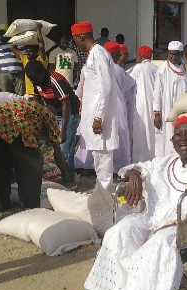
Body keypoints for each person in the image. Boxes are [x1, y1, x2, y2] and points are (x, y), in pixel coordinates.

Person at [58, 115, 187, 290]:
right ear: (172, 140)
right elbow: (138, 167)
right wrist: (135, 175)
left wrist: (176, 219)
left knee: (157, 245)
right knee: (118, 232)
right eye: (178, 135)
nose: (183, 138)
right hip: (155, 218)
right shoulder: (165, 163)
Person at [0, 98, 69, 209]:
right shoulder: (50, 116)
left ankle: (2, 204)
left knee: (3, 166)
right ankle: (31, 205)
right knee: (34, 164)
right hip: (15, 124)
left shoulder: (32, 109)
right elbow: (57, 151)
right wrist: (65, 174)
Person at [72, 21, 120, 190]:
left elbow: (106, 87)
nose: (74, 43)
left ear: (81, 37)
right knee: (99, 158)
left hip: (100, 117)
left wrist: (99, 116)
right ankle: (102, 192)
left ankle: (105, 197)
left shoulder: (98, 54)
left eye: (75, 39)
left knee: (103, 157)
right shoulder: (93, 53)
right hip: (95, 114)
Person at [24, 61, 80, 189]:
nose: (33, 81)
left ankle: (70, 180)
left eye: (34, 78)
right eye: (31, 79)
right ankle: (65, 176)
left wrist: (63, 131)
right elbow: (37, 100)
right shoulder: (37, 82)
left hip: (70, 113)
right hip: (54, 113)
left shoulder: (56, 81)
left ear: (42, 73)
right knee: (57, 148)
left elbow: (66, 105)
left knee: (65, 148)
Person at [153, 41, 187, 157]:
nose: (173, 57)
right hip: (169, 109)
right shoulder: (163, 71)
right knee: (169, 136)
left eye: (176, 54)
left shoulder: (184, 68)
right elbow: (157, 93)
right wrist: (157, 114)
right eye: (170, 54)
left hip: (183, 109)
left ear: (181, 54)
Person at [104, 41, 135, 171]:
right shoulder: (117, 70)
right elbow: (126, 87)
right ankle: (119, 165)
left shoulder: (101, 67)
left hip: (104, 106)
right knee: (120, 136)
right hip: (117, 105)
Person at [126, 46, 159, 163]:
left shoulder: (138, 68)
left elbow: (125, 84)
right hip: (155, 108)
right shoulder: (157, 69)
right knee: (153, 135)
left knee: (140, 135)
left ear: (140, 56)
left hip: (141, 108)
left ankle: (140, 162)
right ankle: (153, 160)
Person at [11, 23, 48, 96]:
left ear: (36, 52)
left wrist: (38, 30)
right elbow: (12, 48)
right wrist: (20, 34)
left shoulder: (41, 59)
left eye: (30, 52)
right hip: (28, 94)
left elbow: (41, 46)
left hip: (41, 93)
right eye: (26, 51)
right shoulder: (25, 59)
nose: (27, 53)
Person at [0, 23, 25, 95]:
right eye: (1, 32)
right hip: (5, 74)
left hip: (18, 73)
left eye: (5, 32)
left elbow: (24, 57)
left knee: (20, 95)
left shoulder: (17, 42)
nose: (3, 33)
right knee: (7, 96)